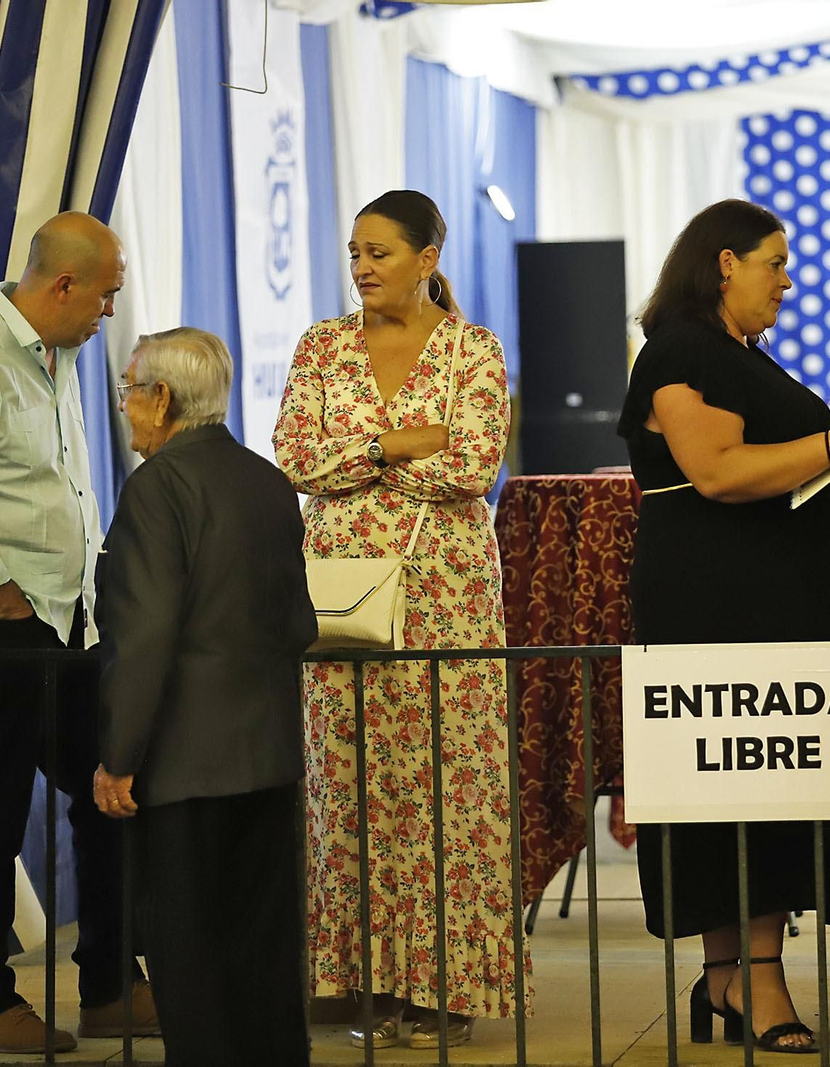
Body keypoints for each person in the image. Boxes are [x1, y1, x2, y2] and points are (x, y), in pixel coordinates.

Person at [616, 198, 830, 1054]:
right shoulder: (680, 350)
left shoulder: (739, 354)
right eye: (775, 262)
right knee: (728, 784)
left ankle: (734, 976)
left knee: (767, 783)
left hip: (771, 604)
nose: (787, 281)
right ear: (725, 262)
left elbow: (766, 467)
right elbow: (715, 469)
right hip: (719, 607)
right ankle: (748, 977)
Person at [273, 189, 522, 1050]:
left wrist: (362, 465)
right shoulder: (321, 345)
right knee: (349, 789)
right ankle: (364, 979)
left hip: (447, 595)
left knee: (450, 788)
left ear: (427, 259)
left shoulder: (473, 350)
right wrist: (393, 445)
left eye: (378, 252)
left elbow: (473, 467)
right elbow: (295, 458)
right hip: (339, 596)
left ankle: (446, 983)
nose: (362, 267)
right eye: (354, 252)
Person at [0, 210, 154, 1051]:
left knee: (113, 788)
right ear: (63, 285)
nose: (110, 312)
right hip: (4, 635)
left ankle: (109, 984)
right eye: (106, 296)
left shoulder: (58, 352)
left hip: (72, 624)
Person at [93, 328, 315, 1066]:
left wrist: (119, 757)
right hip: (270, 755)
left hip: (185, 766)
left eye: (129, 390)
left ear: (161, 398)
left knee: (191, 962)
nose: (123, 406)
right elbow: (301, 623)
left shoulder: (156, 487)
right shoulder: (268, 481)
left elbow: (144, 636)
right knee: (264, 953)